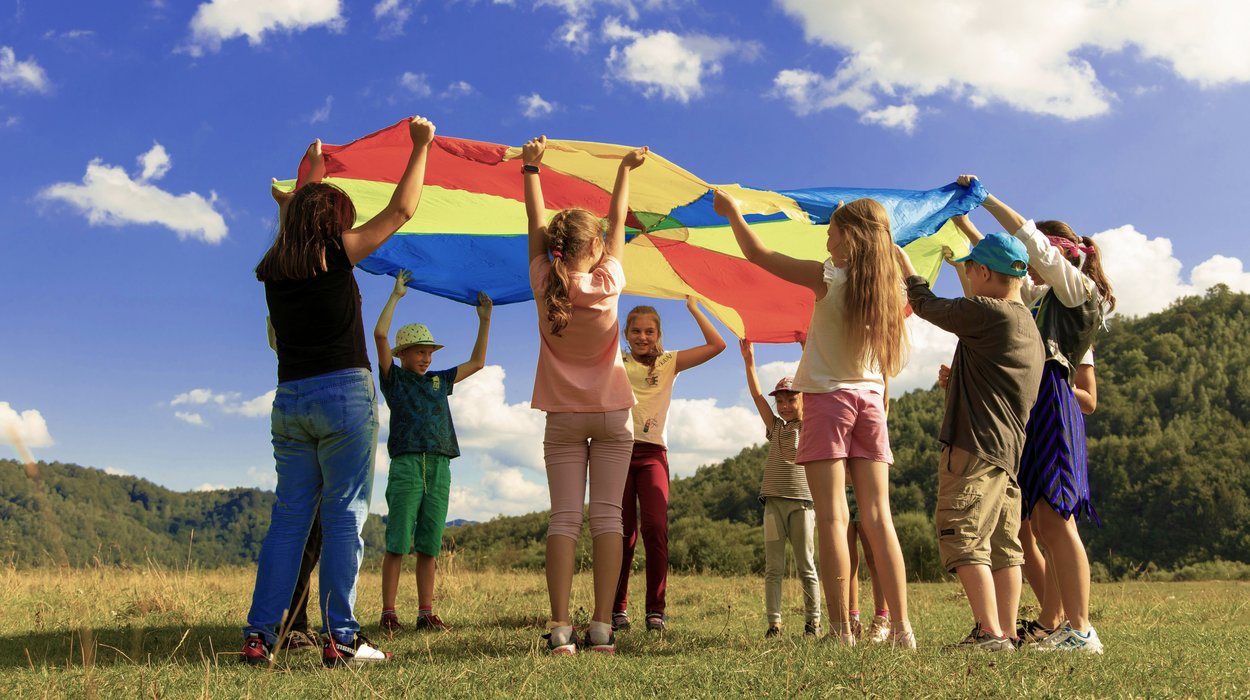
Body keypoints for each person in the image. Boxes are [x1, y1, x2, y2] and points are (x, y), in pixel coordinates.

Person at [241, 116, 436, 668]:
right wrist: (420, 147)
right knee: (345, 515)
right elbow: (402, 209)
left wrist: (314, 169)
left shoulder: (275, 267)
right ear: (331, 224)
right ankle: (342, 638)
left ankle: (259, 637)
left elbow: (297, 218)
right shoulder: (336, 253)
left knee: (289, 520)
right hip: (343, 397)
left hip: (290, 401)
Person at [713, 191, 916, 648]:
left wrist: (733, 213)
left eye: (831, 231)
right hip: (871, 402)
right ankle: (903, 630)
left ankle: (841, 630)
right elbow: (898, 267)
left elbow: (758, 253)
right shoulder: (892, 290)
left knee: (832, 517)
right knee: (880, 517)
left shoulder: (828, 278)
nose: (826, 238)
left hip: (828, 400)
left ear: (850, 237)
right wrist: (882, 243)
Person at [965, 175, 1116, 654]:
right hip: (1036, 401)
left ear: (1057, 254)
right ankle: (1065, 626)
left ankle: (1081, 629)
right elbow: (1009, 270)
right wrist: (964, 225)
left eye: (1038, 256)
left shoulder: (1075, 289)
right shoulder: (1046, 296)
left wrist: (986, 198)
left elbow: (1025, 239)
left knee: (1057, 522)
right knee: (1046, 523)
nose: (1028, 266)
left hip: (1053, 400)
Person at [524, 136, 647, 655]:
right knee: (608, 519)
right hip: (613, 414)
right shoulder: (608, 282)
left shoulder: (542, 281)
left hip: (562, 417)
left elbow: (534, 225)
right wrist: (624, 170)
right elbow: (619, 223)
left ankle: (559, 629)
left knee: (564, 520)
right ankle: (600, 627)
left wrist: (531, 168)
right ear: (595, 249)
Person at [899, 227, 1044, 651]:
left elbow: (926, 305)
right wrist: (960, 379)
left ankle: (988, 632)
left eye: (969, 269)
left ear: (984, 272)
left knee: (963, 533)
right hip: (1006, 453)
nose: (967, 276)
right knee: (1003, 546)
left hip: (975, 446)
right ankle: (1007, 632)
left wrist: (904, 265)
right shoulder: (1026, 324)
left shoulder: (990, 311)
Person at [374, 269, 492, 634]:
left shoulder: (440, 380)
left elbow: (477, 363)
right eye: (420, 352)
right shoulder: (394, 380)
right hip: (407, 465)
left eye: (429, 352)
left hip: (440, 465)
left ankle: (425, 613)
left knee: (429, 545)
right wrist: (396, 296)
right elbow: (380, 335)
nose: (426, 358)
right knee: (398, 542)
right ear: (403, 354)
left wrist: (484, 320)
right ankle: (389, 613)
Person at [612, 299, 725, 632]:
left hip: (653, 455)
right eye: (636, 331)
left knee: (656, 528)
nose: (642, 337)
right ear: (626, 333)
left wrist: (694, 307)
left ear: (658, 334)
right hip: (617, 451)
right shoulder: (616, 359)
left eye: (649, 331)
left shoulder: (668, 362)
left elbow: (717, 345)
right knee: (622, 534)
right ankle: (617, 609)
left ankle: (655, 611)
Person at [741, 341, 821, 639]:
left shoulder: (810, 423)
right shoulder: (775, 427)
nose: (785, 405)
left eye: (792, 399)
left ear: (803, 399)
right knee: (773, 567)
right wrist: (750, 361)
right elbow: (757, 395)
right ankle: (774, 624)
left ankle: (813, 622)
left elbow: (816, 384)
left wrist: (807, 350)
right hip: (773, 504)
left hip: (802, 503)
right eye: (781, 401)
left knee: (806, 565)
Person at [846, 486, 890, 642]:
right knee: (847, 561)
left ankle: (881, 620)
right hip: (840, 491)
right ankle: (852, 622)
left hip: (865, 489)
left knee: (874, 558)